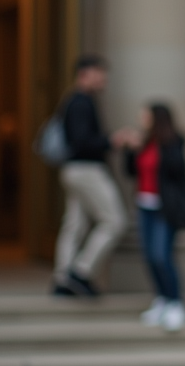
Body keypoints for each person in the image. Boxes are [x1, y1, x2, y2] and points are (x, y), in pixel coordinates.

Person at [51, 55, 134, 298]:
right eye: (99, 73)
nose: (104, 79)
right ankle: (81, 272)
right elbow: (82, 142)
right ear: (84, 74)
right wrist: (113, 140)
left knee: (74, 225)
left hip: (75, 170)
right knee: (115, 221)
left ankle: (63, 279)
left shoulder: (76, 101)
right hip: (86, 169)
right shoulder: (81, 102)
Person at [124, 103, 185, 332]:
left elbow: (179, 170)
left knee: (162, 255)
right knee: (149, 257)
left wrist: (165, 149)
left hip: (166, 208)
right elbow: (131, 172)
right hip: (144, 205)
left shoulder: (173, 141)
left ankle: (176, 302)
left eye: (146, 114)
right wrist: (131, 150)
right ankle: (161, 299)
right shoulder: (144, 141)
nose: (142, 118)